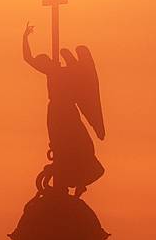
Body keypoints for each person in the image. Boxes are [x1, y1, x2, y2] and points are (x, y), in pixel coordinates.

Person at [22, 22, 105, 196]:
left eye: (47, 61)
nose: (47, 63)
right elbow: (29, 59)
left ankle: (79, 176)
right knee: (62, 146)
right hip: (58, 112)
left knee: (80, 143)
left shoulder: (67, 72)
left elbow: (29, 59)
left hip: (63, 112)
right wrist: (25, 38)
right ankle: (72, 176)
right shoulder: (56, 71)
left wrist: (25, 38)